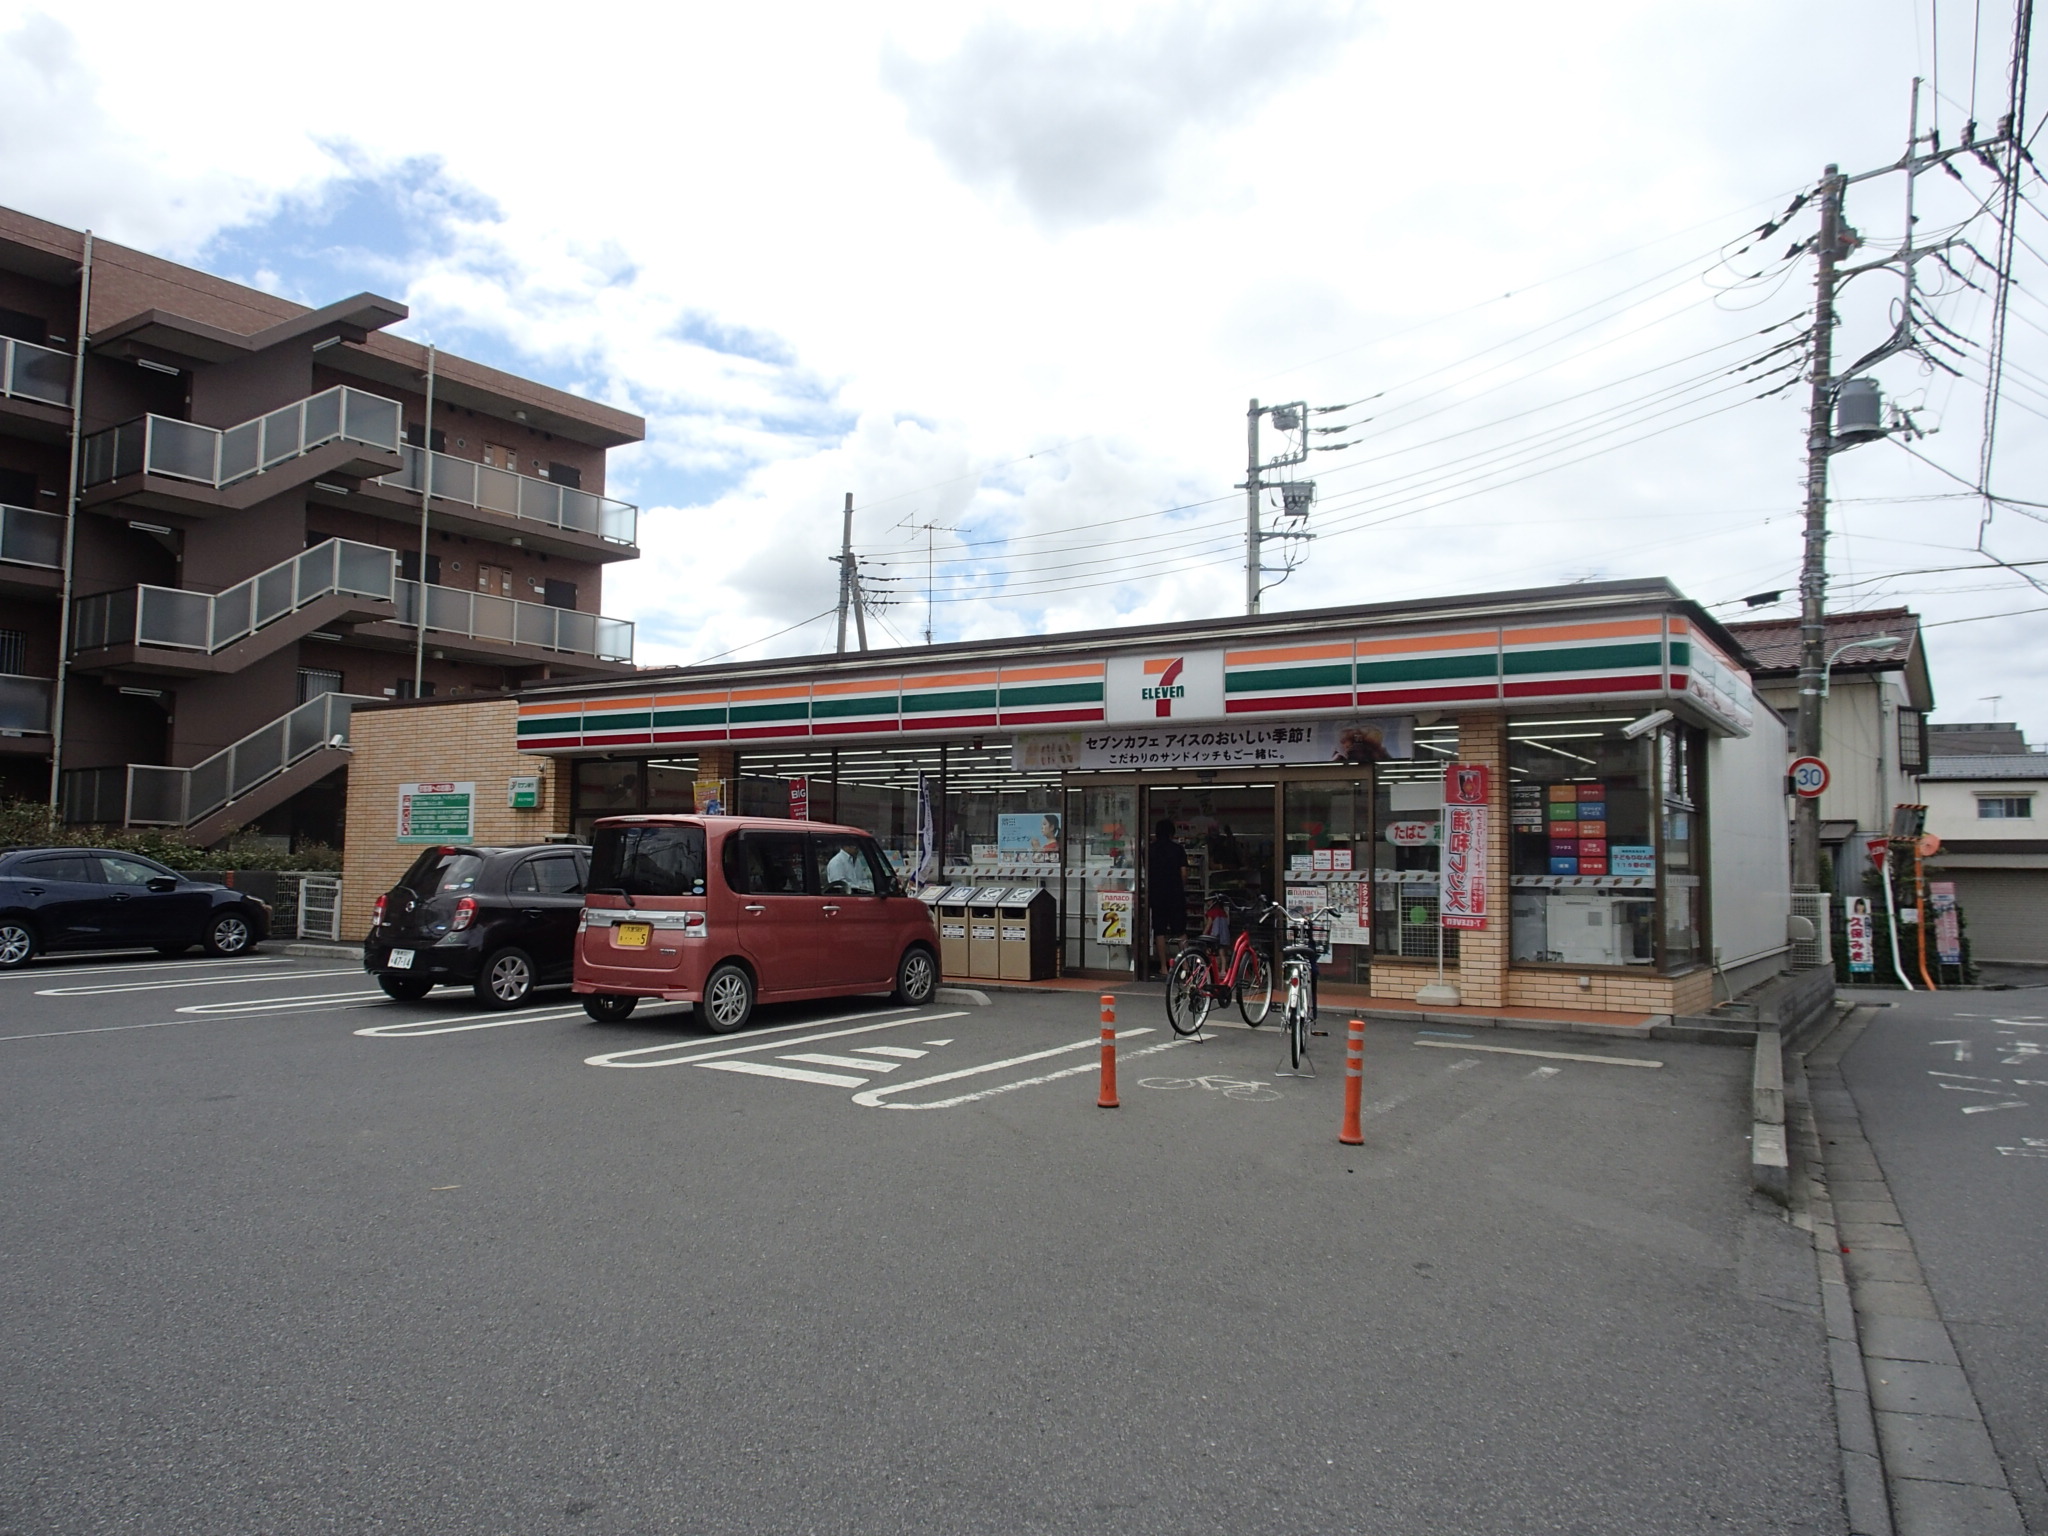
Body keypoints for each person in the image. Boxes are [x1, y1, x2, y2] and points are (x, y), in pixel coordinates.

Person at [1147, 817, 1189, 978]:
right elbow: (1184, 873)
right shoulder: (1178, 849)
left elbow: (1146, 871)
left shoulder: (1150, 850)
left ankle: (1163, 967)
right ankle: (1185, 965)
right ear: (1172, 833)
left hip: (1157, 894)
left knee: (1160, 931)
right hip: (1175, 894)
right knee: (1180, 930)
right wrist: (1179, 886)